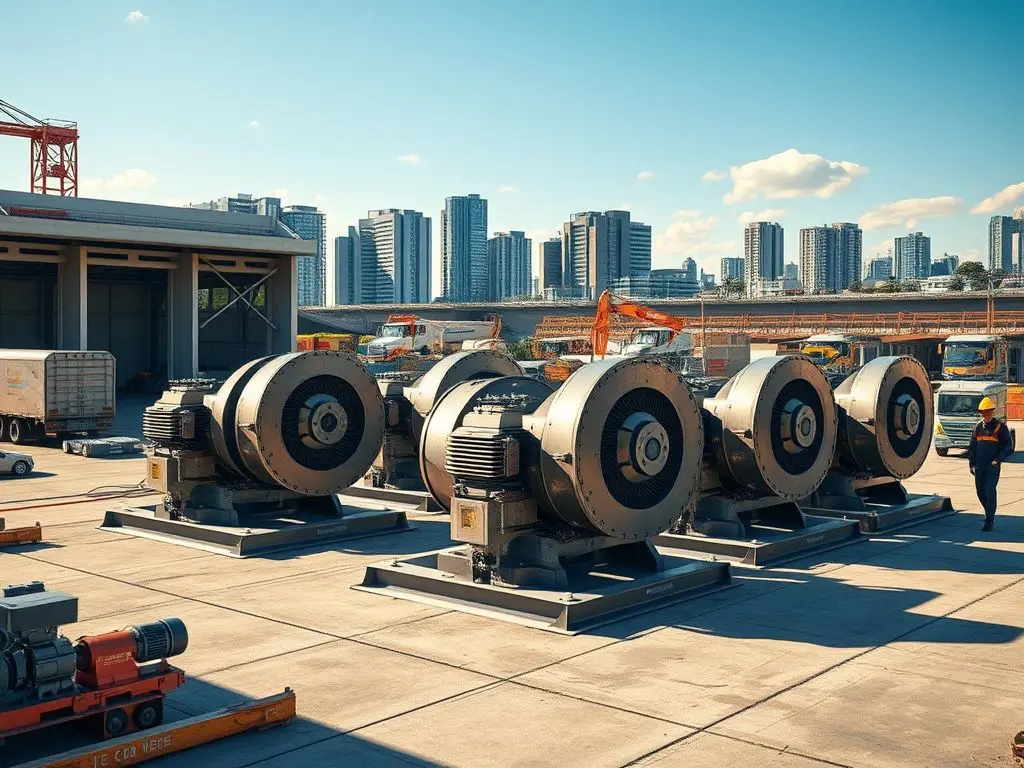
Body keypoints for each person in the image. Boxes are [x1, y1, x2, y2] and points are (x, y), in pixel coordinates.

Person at [968, 396, 1013, 531]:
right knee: (980, 491)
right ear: (981, 413)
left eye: (989, 412)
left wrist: (997, 460)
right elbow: (972, 447)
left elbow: (1008, 446)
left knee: (990, 490)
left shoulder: (1000, 427)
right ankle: (989, 511)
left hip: (992, 466)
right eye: (984, 412)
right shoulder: (977, 427)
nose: (986, 415)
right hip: (979, 466)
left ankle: (989, 521)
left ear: (992, 412)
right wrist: (972, 464)